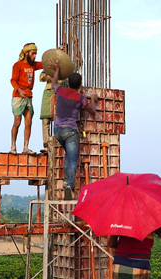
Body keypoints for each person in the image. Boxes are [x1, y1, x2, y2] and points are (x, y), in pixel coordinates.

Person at [50, 61, 98, 200]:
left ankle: (66, 182)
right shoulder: (80, 98)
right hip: (70, 132)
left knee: (67, 156)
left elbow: (53, 83)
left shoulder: (60, 90)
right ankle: (69, 185)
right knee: (72, 159)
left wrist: (57, 70)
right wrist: (94, 100)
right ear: (80, 84)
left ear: (68, 82)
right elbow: (92, 111)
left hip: (58, 131)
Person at [10, 43, 43, 155]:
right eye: (33, 54)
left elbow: (45, 64)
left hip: (29, 96)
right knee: (17, 121)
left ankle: (25, 147)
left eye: (35, 54)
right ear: (26, 53)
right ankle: (13, 146)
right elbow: (13, 80)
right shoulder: (17, 65)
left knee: (28, 122)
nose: (34, 56)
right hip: (18, 96)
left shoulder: (33, 65)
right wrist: (19, 90)